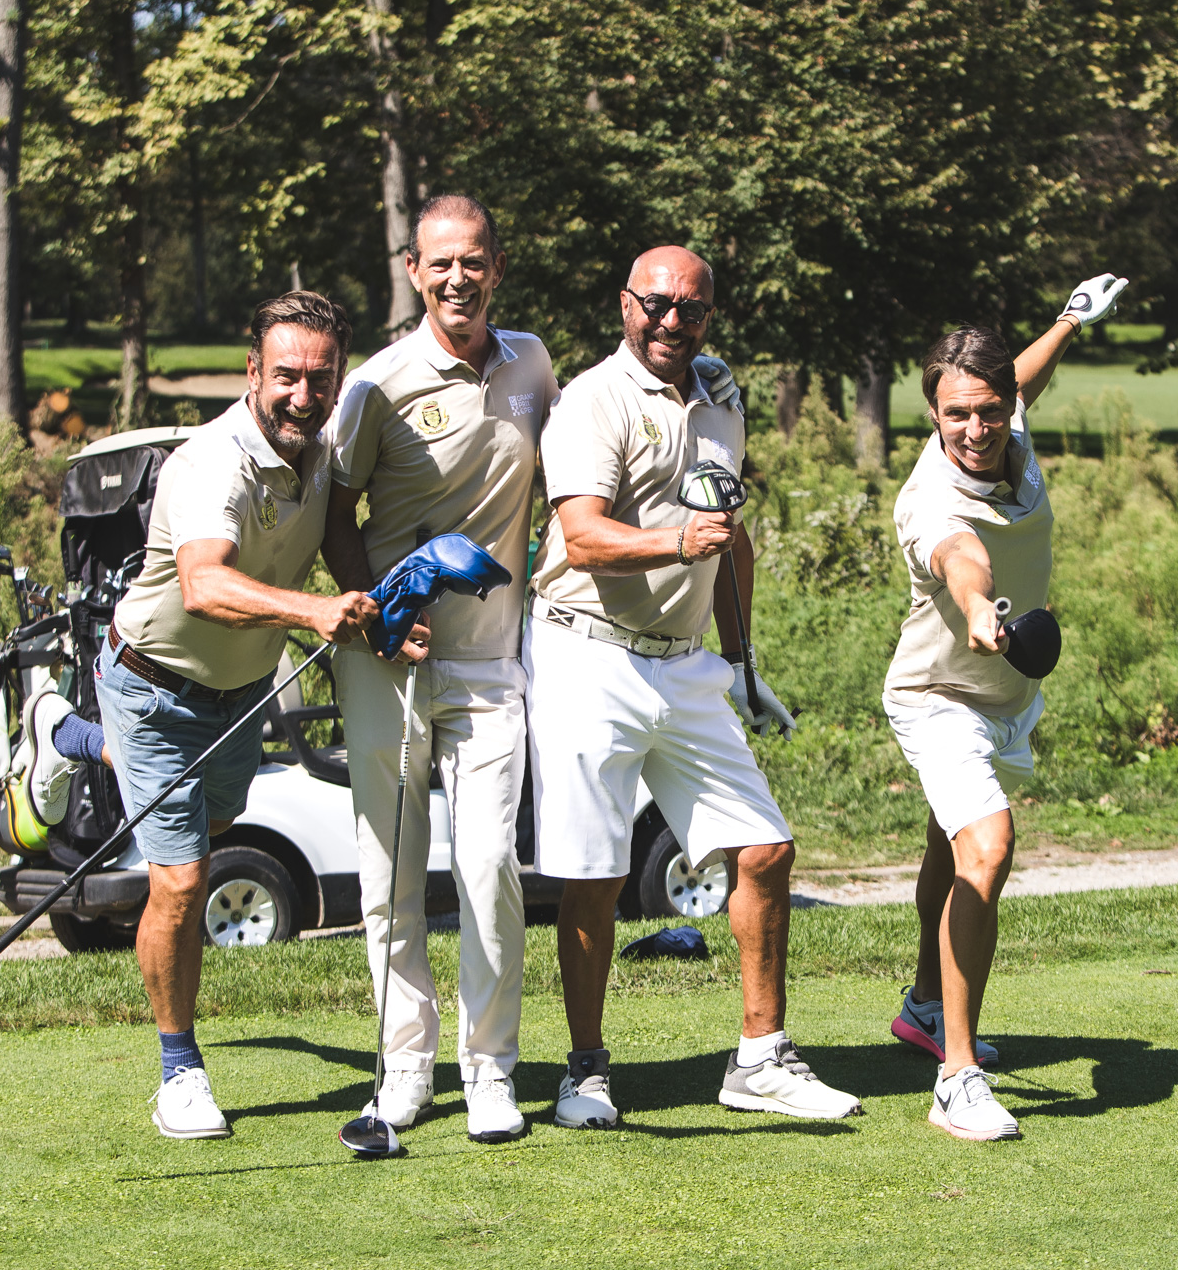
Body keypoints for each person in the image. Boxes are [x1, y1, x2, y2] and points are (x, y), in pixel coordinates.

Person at [526, 244, 860, 1127]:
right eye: (657, 304)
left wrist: (744, 662)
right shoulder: (592, 401)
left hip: (684, 663)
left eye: (692, 309)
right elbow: (584, 538)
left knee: (765, 849)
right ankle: (585, 1073)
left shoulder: (721, 400)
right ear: (625, 304)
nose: (672, 321)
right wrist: (681, 542)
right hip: (586, 654)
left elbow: (732, 541)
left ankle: (760, 1061)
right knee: (595, 875)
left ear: (711, 316)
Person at [88, 290, 394, 1140]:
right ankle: (179, 1070)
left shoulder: (322, 449)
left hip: (239, 694)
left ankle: (84, 744)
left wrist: (375, 606)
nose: (304, 394)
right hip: (153, 687)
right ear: (252, 371)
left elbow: (334, 530)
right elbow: (204, 584)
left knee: (211, 822)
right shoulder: (213, 463)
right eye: (286, 375)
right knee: (183, 881)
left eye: (321, 378)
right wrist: (314, 611)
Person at [320, 195, 557, 1144]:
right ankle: (406, 1070)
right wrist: (376, 615)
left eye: (474, 260)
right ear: (414, 271)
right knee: (391, 877)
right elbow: (337, 513)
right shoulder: (374, 385)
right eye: (440, 263)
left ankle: (490, 1068)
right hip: (391, 659)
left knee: (491, 864)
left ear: (497, 265)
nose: (458, 278)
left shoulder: (532, 364)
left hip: (492, 661)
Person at [884, 274, 1129, 1142]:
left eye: (989, 411)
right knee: (986, 850)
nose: (976, 431)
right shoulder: (932, 500)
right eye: (956, 416)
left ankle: (924, 1006)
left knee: (948, 848)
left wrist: (1069, 319)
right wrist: (980, 607)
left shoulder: (1005, 420)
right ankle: (957, 1078)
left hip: (1006, 699)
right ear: (933, 413)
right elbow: (963, 558)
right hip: (939, 694)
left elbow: (1024, 377)